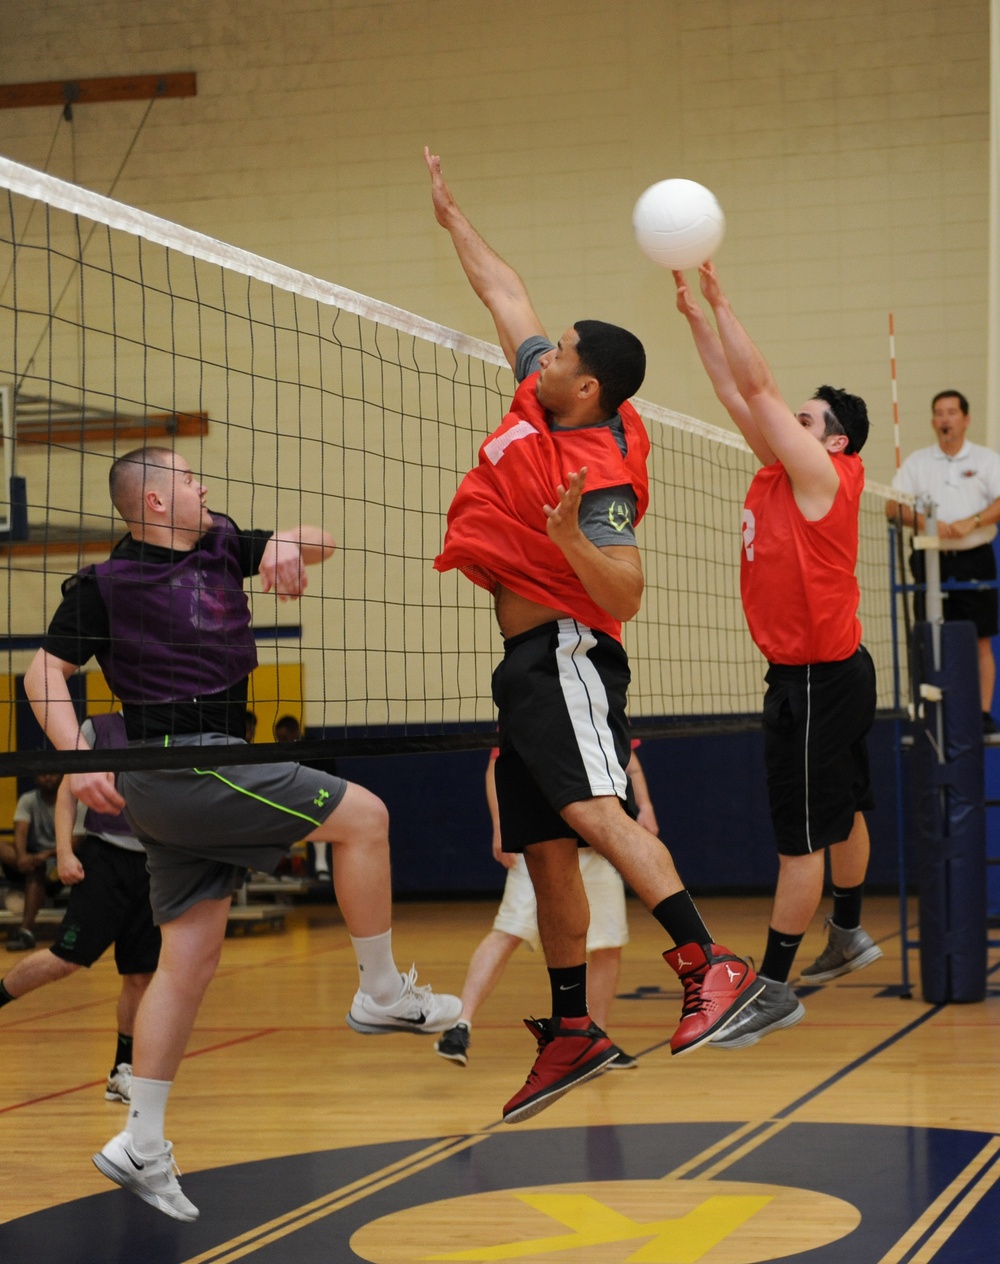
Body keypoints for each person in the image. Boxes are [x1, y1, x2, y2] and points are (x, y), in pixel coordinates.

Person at [24, 446, 460, 1221]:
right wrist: (71, 756)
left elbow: (323, 540)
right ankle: (381, 991)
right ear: (155, 502)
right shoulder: (106, 584)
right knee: (366, 818)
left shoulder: (221, 540)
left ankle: (141, 1140)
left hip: (193, 775)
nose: (203, 486)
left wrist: (293, 547)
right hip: (187, 763)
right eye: (188, 479)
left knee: (187, 961)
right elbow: (43, 675)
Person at [424, 147, 761, 1125]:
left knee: (599, 817)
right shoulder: (547, 391)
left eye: (563, 352)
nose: (545, 350)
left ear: (588, 389)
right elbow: (507, 294)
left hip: (567, 645)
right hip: (522, 658)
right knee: (545, 850)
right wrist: (454, 220)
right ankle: (572, 1027)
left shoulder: (599, 469)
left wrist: (570, 537)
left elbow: (628, 590)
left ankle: (712, 965)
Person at [674, 262, 882, 1050]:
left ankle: (774, 989)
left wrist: (729, 301)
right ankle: (853, 932)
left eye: (804, 416)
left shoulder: (824, 475)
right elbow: (738, 393)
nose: (785, 419)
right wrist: (696, 318)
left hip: (815, 682)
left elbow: (757, 389)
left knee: (799, 841)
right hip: (834, 670)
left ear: (831, 438)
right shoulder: (780, 471)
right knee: (846, 809)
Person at [435, 745, 659, 1070]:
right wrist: (500, 825)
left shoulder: (603, 700)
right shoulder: (533, 699)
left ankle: (594, 1041)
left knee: (608, 944)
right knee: (508, 931)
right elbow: (496, 765)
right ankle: (458, 1026)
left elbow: (628, 758)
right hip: (544, 842)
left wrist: (646, 805)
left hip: (597, 844)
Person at [0, 712, 159, 1102]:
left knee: (140, 975)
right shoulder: (97, 728)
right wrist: (66, 853)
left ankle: (123, 1071)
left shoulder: (173, 725)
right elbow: (67, 794)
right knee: (66, 959)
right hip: (105, 858)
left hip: (156, 864)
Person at [886, 390, 1000, 733]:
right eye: (939, 413)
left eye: (952, 412)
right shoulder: (918, 463)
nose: (945, 419)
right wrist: (928, 523)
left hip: (974, 559)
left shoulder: (985, 460)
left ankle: (981, 715)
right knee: (928, 635)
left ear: (965, 419)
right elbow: (893, 507)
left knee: (979, 638)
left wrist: (973, 522)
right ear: (933, 421)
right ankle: (929, 713)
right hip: (929, 558)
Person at [5, 772, 62, 952]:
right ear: (35, 777)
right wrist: (22, 856)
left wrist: (48, 854)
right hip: (32, 861)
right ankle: (26, 934)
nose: (48, 778)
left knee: (38, 868)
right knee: (3, 847)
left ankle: (26, 931)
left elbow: (77, 841)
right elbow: (20, 831)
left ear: (62, 776)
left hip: (62, 863)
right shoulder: (28, 799)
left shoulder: (71, 799)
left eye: (53, 774)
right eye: (43, 774)